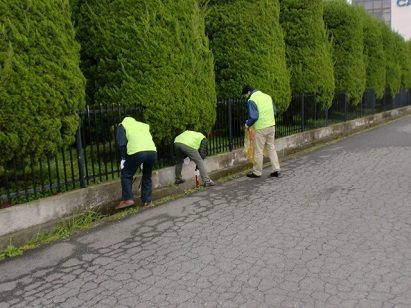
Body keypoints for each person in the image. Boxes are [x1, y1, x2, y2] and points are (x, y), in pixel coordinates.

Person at [115, 117, 157, 209]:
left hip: (137, 152)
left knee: (126, 174)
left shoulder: (122, 125)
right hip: (152, 151)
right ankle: (147, 201)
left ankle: (127, 199)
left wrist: (124, 157)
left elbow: (120, 144)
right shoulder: (143, 125)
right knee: (147, 175)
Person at [242, 85, 281, 178]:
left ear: (248, 92)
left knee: (258, 150)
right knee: (271, 147)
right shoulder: (267, 96)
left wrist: (247, 124)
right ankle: (276, 169)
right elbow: (274, 111)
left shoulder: (252, 100)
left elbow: (254, 116)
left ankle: (257, 172)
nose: (246, 97)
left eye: (245, 95)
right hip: (271, 125)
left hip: (261, 128)